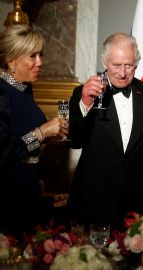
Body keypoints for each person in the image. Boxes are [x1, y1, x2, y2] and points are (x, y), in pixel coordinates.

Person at [68, 33, 143, 230]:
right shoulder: (85, 92)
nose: (122, 73)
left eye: (128, 66)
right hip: (95, 198)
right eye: (116, 65)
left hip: (137, 201)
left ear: (136, 64)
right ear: (104, 62)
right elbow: (75, 140)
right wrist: (86, 103)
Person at [0, 25, 68, 237]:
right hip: (6, 197)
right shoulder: (1, 92)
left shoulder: (24, 87)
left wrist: (53, 135)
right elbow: (3, 155)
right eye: (32, 56)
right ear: (11, 61)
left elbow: (23, 138)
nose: (40, 62)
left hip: (28, 190)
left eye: (41, 55)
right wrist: (43, 131)